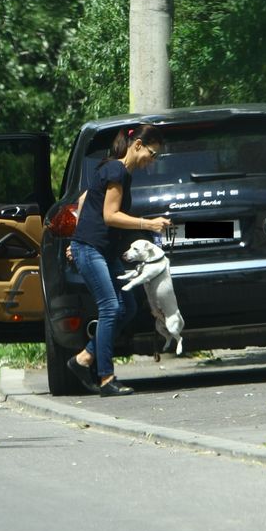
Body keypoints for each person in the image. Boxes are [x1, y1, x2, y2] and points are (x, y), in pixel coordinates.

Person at [65, 124, 170, 396]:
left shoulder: (115, 170)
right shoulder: (117, 170)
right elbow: (110, 215)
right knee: (111, 307)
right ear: (137, 146)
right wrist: (148, 225)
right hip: (91, 250)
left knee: (128, 306)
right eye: (152, 153)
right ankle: (106, 378)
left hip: (99, 249)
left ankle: (83, 359)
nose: (152, 160)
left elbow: (85, 198)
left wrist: (78, 233)